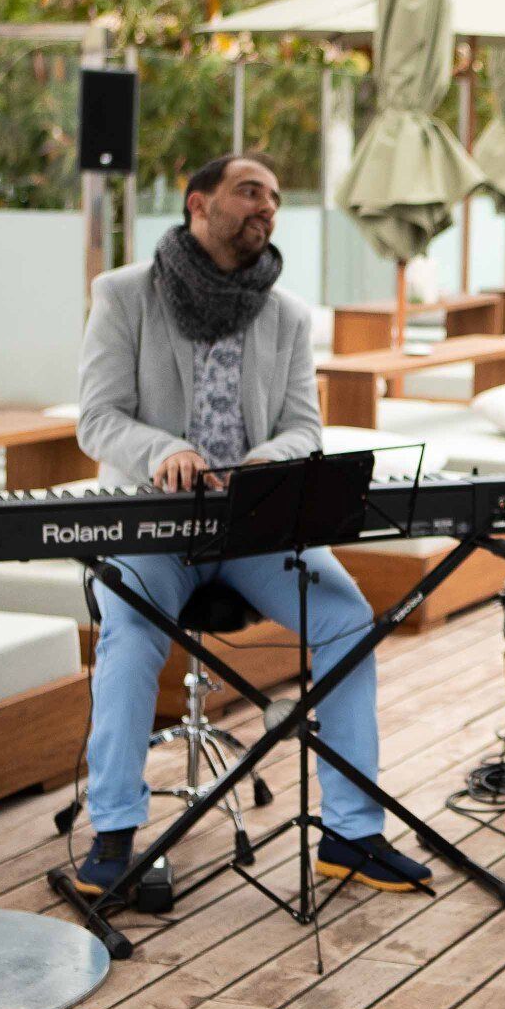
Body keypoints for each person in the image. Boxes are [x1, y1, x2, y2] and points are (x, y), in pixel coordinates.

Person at [72, 152, 432, 897]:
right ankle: (114, 838)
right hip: (154, 527)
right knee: (130, 636)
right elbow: (97, 419)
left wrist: (266, 462)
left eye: (272, 195)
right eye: (248, 191)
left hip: (258, 528)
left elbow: (304, 428)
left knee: (347, 620)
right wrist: (163, 451)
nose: (266, 206)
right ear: (198, 204)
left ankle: (352, 835)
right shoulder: (123, 294)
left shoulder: (288, 313)